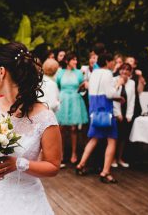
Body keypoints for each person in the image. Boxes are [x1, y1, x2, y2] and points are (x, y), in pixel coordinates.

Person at [0, 42, 62, 215]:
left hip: (27, 201)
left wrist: (19, 164)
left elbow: (53, 166)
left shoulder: (45, 117)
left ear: (1, 72)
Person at [76, 52, 124, 184]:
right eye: (112, 61)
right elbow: (109, 94)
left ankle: (81, 164)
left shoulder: (95, 73)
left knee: (94, 138)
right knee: (112, 140)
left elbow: (90, 88)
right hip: (105, 110)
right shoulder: (108, 73)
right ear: (108, 62)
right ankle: (105, 172)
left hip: (94, 109)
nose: (114, 63)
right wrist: (118, 85)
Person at [55, 53, 88, 166]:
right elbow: (58, 86)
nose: (75, 62)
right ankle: (62, 153)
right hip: (64, 99)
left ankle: (74, 153)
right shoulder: (60, 73)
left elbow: (81, 87)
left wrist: (82, 87)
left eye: (76, 60)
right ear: (67, 61)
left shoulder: (79, 73)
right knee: (62, 128)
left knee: (74, 128)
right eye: (73, 60)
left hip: (75, 99)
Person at [112, 63, 135, 168]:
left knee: (123, 137)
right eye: (122, 70)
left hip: (126, 112)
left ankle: (119, 158)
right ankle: (112, 159)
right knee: (114, 137)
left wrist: (129, 115)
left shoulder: (132, 83)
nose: (124, 72)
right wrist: (118, 114)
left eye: (127, 70)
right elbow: (113, 97)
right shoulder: (114, 80)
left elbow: (132, 100)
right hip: (116, 112)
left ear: (130, 72)